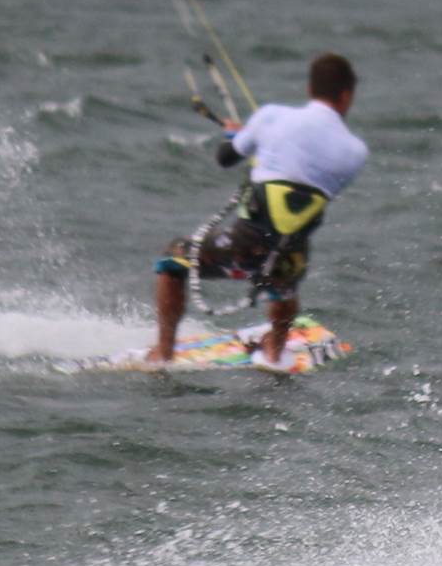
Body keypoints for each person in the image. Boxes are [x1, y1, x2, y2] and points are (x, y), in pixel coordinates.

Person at [149, 52, 366, 371]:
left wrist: (241, 138)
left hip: (246, 245)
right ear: (346, 95)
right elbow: (307, 176)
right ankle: (275, 352)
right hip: (289, 260)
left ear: (310, 88)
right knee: (287, 272)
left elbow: (225, 158)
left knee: (173, 258)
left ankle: (163, 353)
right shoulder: (356, 152)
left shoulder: (271, 116)